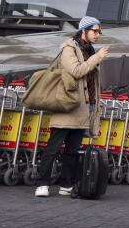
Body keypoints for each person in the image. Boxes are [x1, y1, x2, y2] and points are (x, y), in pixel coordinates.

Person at [34, 16, 109, 197]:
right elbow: (75, 71)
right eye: (94, 31)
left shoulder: (89, 50)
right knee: (53, 147)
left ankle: (66, 184)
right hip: (67, 105)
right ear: (83, 30)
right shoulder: (69, 48)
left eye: (99, 31)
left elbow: (93, 81)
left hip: (84, 107)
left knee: (72, 151)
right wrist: (97, 58)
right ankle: (42, 184)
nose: (97, 34)